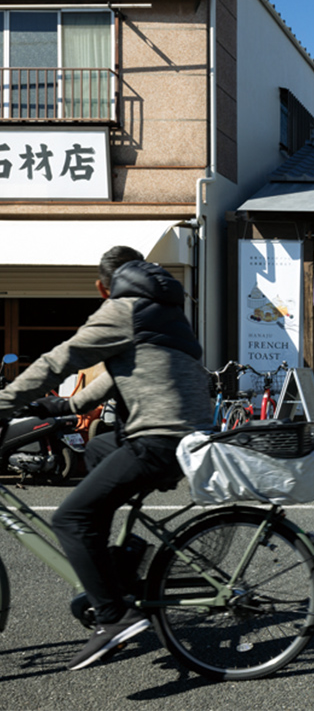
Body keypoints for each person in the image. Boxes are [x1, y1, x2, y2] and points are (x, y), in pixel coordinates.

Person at [0, 246, 212, 670]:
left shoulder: (124, 310)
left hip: (158, 440)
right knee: (97, 450)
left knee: (70, 519)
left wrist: (5, 402)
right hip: (180, 437)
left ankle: (115, 618)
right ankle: (124, 556)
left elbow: (60, 358)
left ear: (103, 287)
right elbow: (116, 378)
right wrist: (57, 408)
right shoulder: (164, 314)